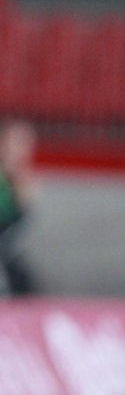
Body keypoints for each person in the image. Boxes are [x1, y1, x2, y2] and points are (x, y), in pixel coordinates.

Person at [0, 117, 37, 295]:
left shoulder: (23, 180)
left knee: (23, 282)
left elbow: (21, 220)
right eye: (17, 143)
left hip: (7, 247)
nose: (21, 150)